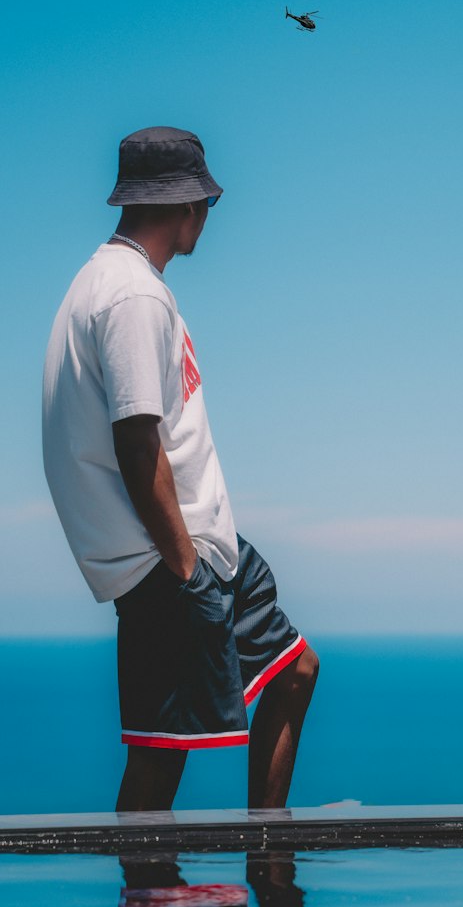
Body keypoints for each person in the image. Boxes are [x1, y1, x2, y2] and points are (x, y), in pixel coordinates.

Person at [42, 126, 319, 813]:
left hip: (204, 547)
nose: (208, 219)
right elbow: (139, 446)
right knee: (160, 760)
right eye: (207, 205)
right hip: (171, 558)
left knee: (295, 672)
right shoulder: (131, 295)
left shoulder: (111, 284)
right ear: (186, 203)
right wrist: (185, 571)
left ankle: (268, 851)